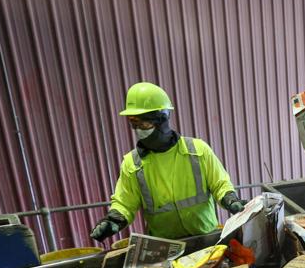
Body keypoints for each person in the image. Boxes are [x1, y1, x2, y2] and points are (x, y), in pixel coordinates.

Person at [91, 82, 245, 241]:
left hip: (205, 240)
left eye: (144, 123)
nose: (139, 130)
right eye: (134, 124)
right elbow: (124, 203)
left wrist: (230, 200)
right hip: (165, 247)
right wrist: (113, 221)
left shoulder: (197, 150)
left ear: (162, 119)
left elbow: (220, 184)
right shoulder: (133, 164)